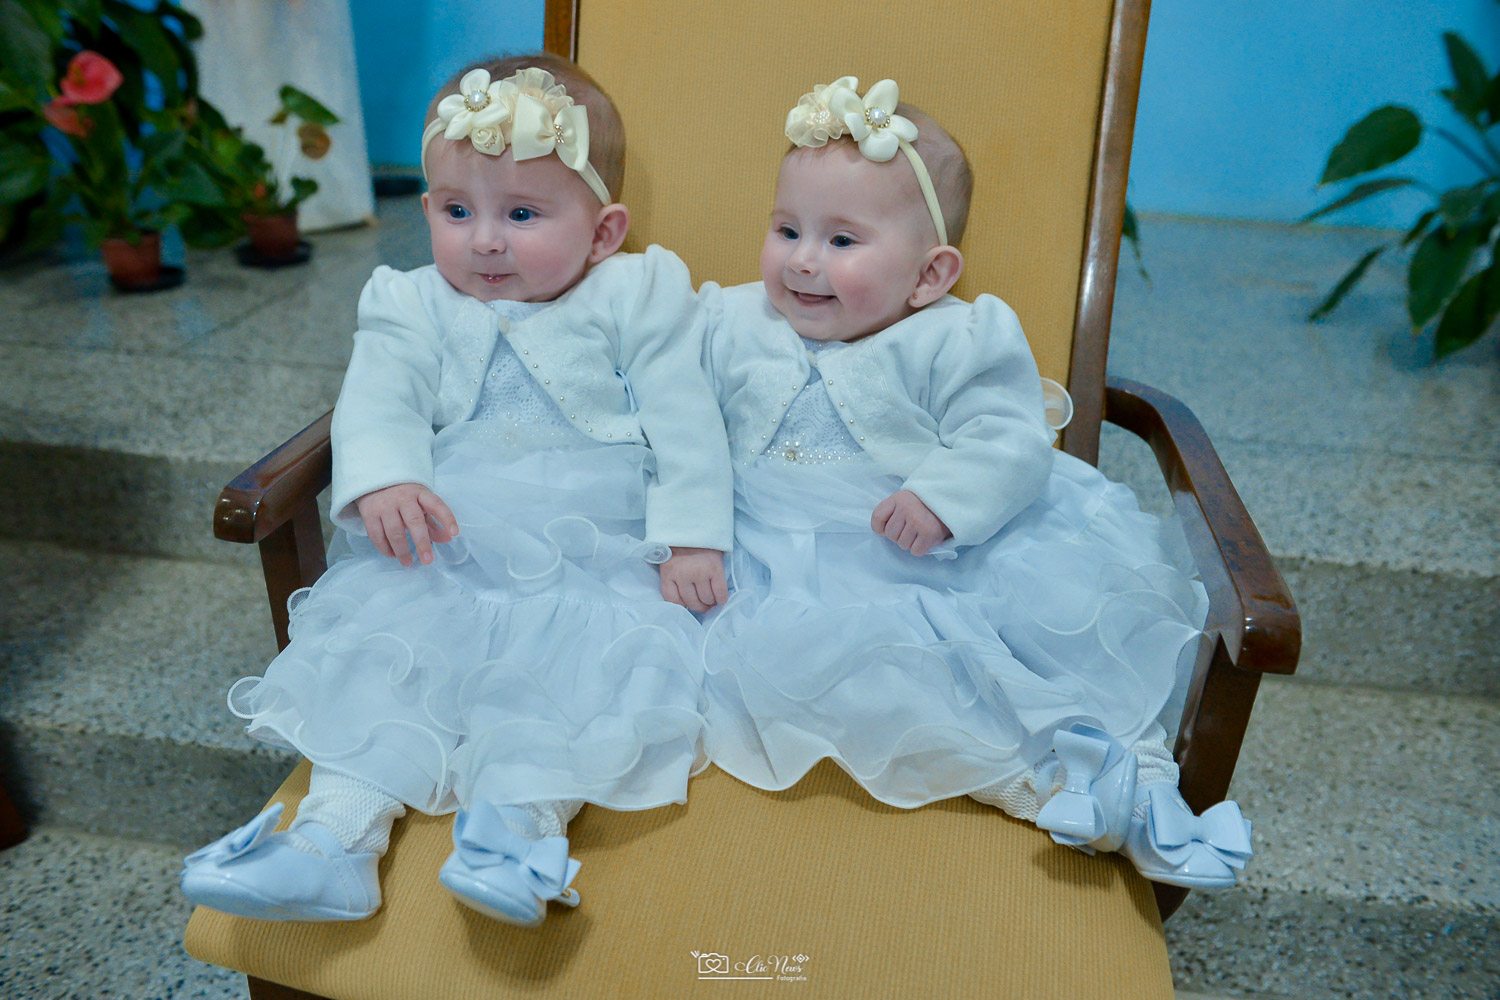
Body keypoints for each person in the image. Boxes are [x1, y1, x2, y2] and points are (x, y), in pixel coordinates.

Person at [181, 54, 732, 927]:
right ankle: (332, 841)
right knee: (382, 661)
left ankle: (514, 838)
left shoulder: (637, 292)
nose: (484, 241)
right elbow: (379, 398)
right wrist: (387, 476)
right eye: (456, 210)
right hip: (446, 546)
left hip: (594, 555)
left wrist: (692, 534)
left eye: (522, 214)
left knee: (569, 683)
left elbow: (686, 417)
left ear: (603, 232)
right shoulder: (410, 302)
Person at [699, 76, 1251, 889]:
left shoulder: (954, 336)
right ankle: (1043, 786)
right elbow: (673, 410)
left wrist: (944, 498)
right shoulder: (729, 320)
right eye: (787, 229)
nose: (803, 259)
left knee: (1016, 652)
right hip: (771, 560)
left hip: (927, 559)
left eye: (843, 240)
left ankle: (1132, 778)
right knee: (880, 688)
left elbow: (1010, 437)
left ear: (930, 275)